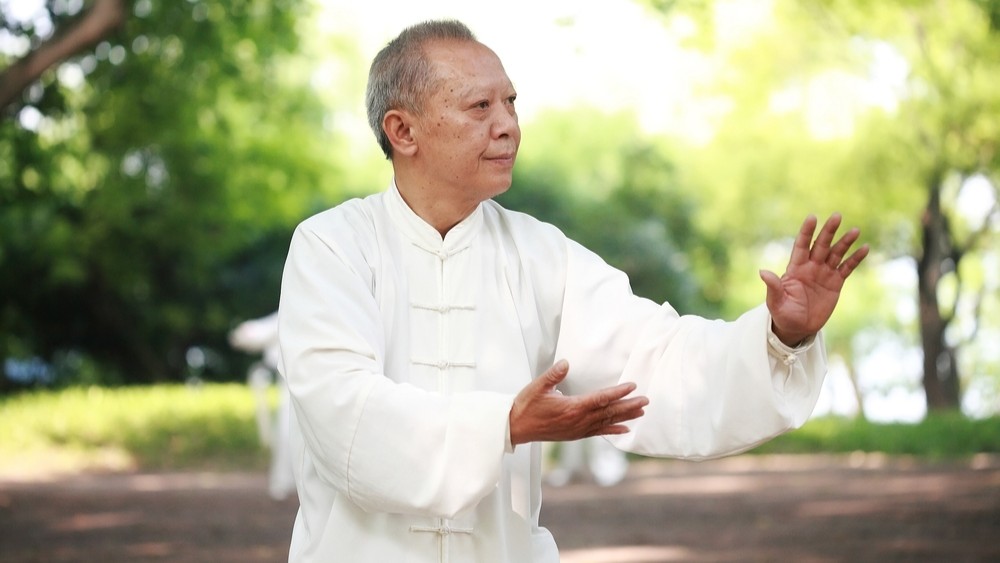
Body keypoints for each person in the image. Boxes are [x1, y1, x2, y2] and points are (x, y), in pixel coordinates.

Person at [277, 19, 869, 563]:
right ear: (402, 130)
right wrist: (506, 424)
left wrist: (783, 336)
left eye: (510, 102)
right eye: (479, 106)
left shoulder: (541, 253)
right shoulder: (331, 246)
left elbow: (655, 359)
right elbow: (344, 414)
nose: (507, 124)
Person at [228, 312, 296, 501]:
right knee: (285, 432)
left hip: (302, 382)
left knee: (288, 431)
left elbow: (259, 332)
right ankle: (283, 482)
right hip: (290, 384)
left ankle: (286, 483)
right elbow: (259, 332)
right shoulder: (289, 311)